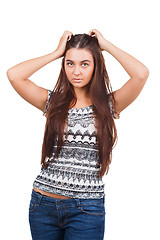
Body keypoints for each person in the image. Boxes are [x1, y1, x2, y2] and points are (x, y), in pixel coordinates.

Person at [7, 29, 149, 240]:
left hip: (86, 210)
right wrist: (56, 53)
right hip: (42, 205)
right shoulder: (53, 102)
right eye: (70, 63)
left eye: (85, 64)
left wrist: (107, 45)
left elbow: (141, 74)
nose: (76, 71)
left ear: (95, 66)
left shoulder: (108, 105)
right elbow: (14, 75)